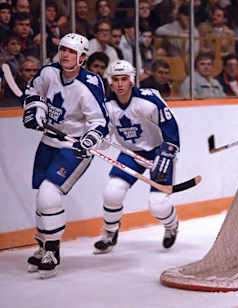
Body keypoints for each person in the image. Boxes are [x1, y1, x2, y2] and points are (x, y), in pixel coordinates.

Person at [22, 33, 108, 278]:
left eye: (72, 51)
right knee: (42, 197)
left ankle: (52, 250)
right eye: (63, 49)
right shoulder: (49, 73)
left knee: (50, 195)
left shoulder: (89, 84)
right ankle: (42, 245)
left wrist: (90, 138)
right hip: (48, 143)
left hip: (74, 148)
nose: (66, 55)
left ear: (83, 57)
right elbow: (31, 92)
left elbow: (100, 121)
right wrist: (34, 109)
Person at [93, 60, 180, 254]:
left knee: (158, 204)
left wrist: (167, 152)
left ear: (132, 80)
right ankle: (110, 232)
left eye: (124, 79)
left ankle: (171, 226)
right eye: (116, 79)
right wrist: (100, 139)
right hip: (130, 153)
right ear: (110, 82)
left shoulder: (148, 100)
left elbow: (170, 126)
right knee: (112, 192)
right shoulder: (106, 106)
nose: (120, 84)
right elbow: (102, 131)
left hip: (159, 151)